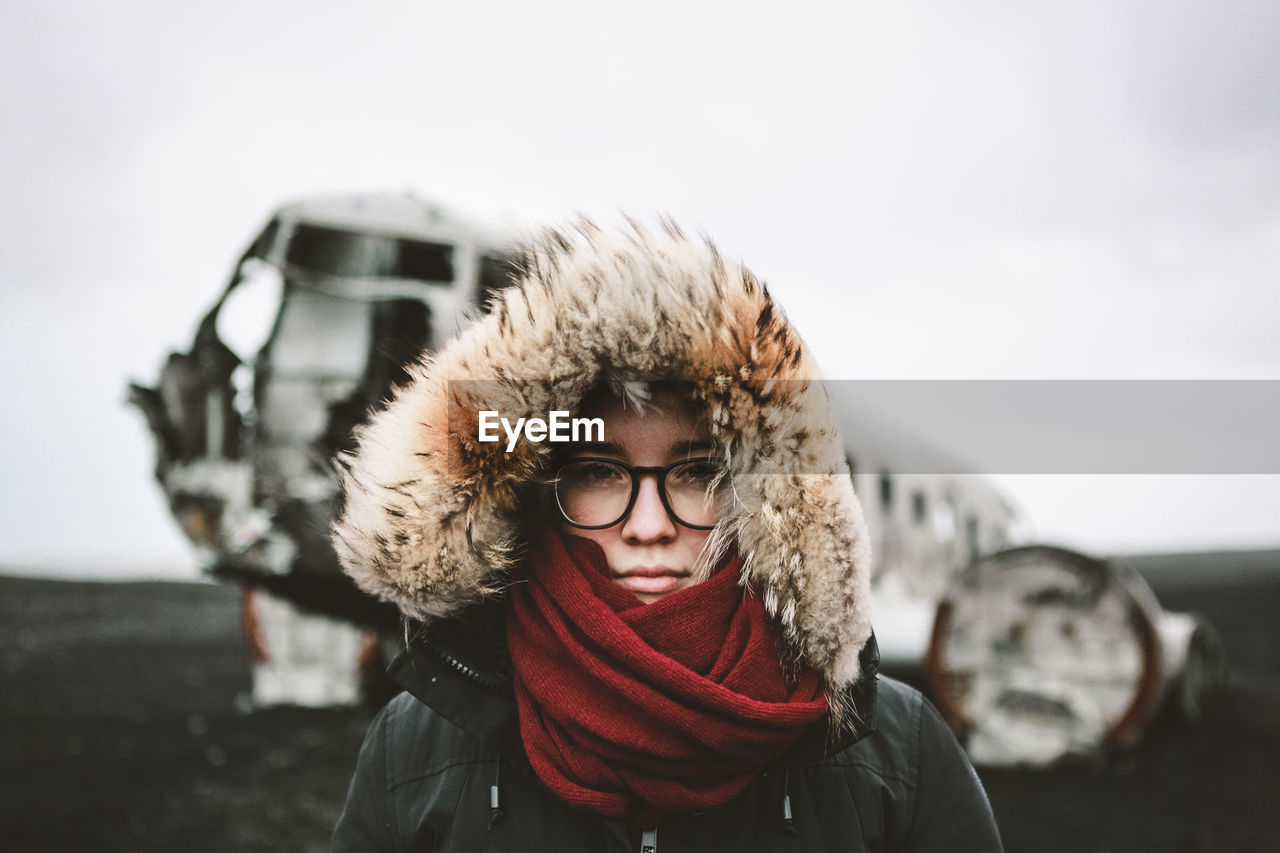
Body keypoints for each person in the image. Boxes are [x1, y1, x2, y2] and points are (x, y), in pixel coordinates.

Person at [329, 222, 1004, 852]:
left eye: (698, 473)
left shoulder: (901, 753)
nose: (647, 525)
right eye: (596, 470)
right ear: (532, 491)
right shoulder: (410, 752)